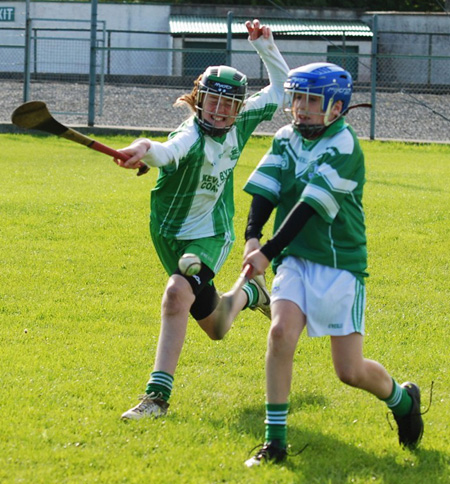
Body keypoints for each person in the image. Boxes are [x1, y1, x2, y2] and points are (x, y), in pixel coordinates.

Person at [241, 62, 424, 466]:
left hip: (339, 264)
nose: (301, 108)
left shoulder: (344, 145)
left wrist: (266, 251)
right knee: (279, 334)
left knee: (349, 371)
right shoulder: (287, 138)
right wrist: (252, 236)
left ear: (337, 108)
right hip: (295, 260)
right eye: (297, 98)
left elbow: (307, 206)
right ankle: (275, 443)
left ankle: (402, 399)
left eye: (312, 100)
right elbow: (268, 189)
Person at [114, 19, 290, 420]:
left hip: (210, 233)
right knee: (217, 325)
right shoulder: (190, 133)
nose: (222, 110)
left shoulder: (242, 121)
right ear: (199, 99)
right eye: (213, 101)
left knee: (177, 293)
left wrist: (266, 47)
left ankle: (156, 399)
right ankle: (251, 295)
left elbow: (281, 89)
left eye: (229, 104)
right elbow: (164, 151)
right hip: (168, 234)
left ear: (238, 107)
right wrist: (141, 148)